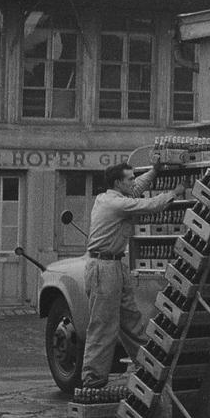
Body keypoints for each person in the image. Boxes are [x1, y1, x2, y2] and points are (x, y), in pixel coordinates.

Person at [81, 163, 186, 391]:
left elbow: (137, 189)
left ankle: (148, 369)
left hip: (115, 264)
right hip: (104, 267)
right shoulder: (115, 203)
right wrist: (173, 194)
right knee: (103, 326)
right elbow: (146, 204)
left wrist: (155, 171)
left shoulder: (113, 196)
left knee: (130, 320)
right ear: (118, 183)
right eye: (129, 179)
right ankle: (92, 382)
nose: (133, 181)